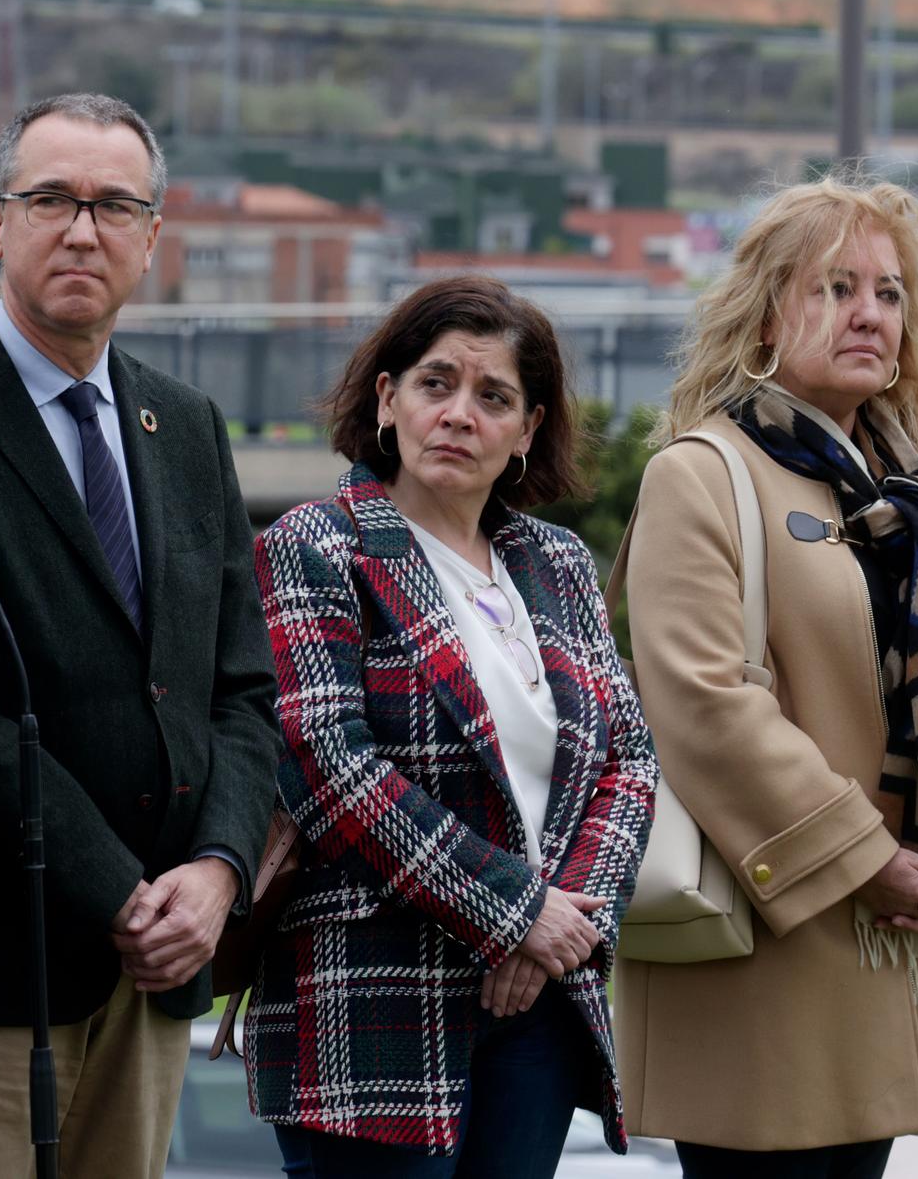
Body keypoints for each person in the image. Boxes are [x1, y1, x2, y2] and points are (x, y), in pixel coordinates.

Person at [0, 92, 281, 1179]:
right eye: (51, 199)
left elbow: (241, 689)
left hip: (156, 973)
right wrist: (121, 895)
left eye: (113, 206)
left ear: (153, 235)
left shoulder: (186, 426)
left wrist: (218, 872)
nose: (83, 231)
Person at [616, 175, 918, 1177]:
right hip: (761, 955)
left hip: (902, 941)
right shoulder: (698, 472)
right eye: (835, 287)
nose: (869, 314)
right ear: (766, 312)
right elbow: (704, 706)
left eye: (889, 292)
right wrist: (867, 860)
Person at [246, 274, 658, 1178]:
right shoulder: (316, 545)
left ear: (528, 429)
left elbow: (629, 760)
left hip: (537, 1003)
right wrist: (516, 912)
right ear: (387, 399)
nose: (459, 414)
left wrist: (561, 927)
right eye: (436, 383)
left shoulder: (556, 562)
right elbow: (329, 766)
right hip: (372, 1009)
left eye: (494, 397)